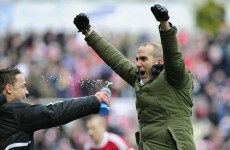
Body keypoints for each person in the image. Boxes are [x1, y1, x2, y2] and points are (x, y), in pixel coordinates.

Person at [73, 4, 195, 150]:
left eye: (143, 59)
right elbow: (116, 60)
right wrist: (88, 33)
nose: (138, 64)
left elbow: (173, 56)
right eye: (137, 59)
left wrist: (164, 24)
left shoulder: (176, 78)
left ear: (159, 62)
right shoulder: (140, 80)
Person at [0, 67, 110, 150]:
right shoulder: (13, 111)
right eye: (23, 86)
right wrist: (94, 101)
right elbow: (55, 112)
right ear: (9, 89)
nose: (26, 92)